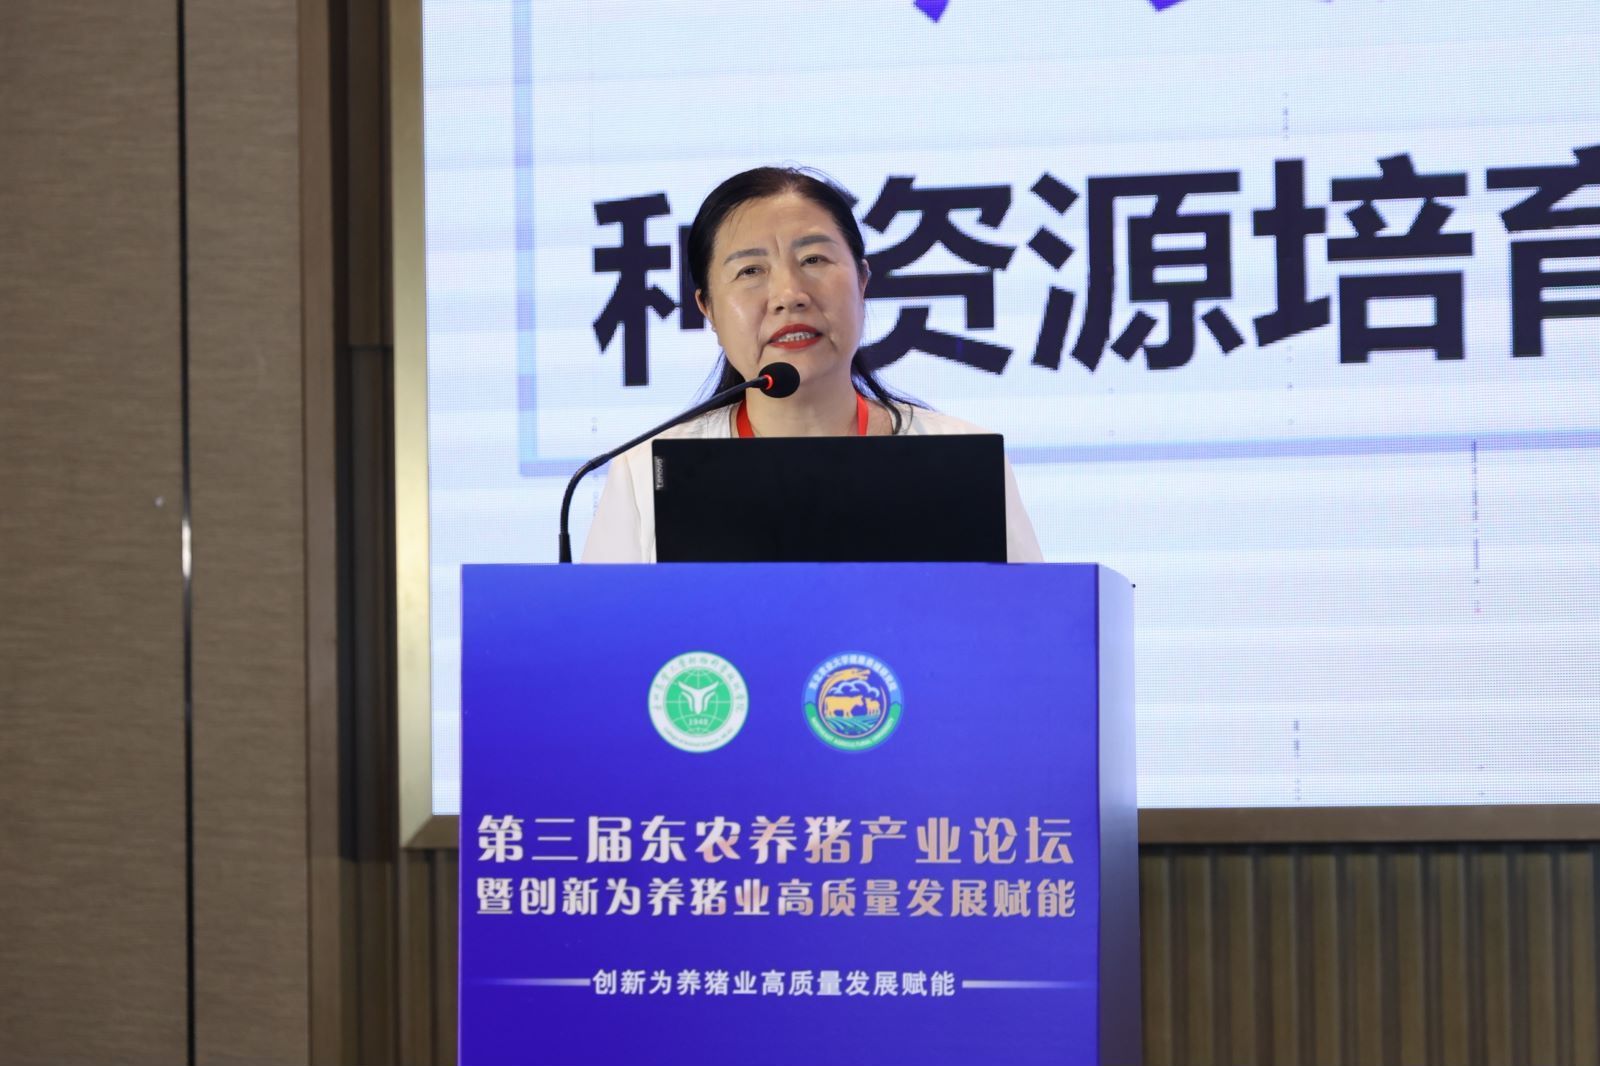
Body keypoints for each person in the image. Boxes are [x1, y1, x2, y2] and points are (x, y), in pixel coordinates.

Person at [581, 166, 1043, 563]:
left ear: (862, 281)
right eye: (750, 270)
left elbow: (1030, 627)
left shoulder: (962, 463)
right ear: (708, 310)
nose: (789, 295)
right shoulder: (647, 475)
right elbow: (606, 637)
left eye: (814, 259)